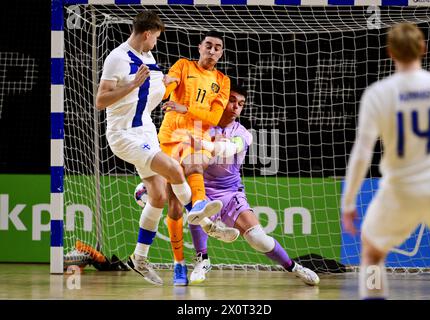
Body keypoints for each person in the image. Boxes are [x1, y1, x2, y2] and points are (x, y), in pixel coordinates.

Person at [342, 22, 430, 299]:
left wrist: (349, 201)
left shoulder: (379, 93)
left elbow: (362, 152)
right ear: (423, 48)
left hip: (400, 191)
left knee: (372, 252)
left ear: (390, 52)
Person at [186, 84, 320, 286]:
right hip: (203, 189)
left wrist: (207, 145)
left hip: (231, 193)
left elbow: (230, 148)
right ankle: (202, 260)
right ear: (221, 99)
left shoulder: (243, 133)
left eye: (241, 104)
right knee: (195, 205)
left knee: (258, 239)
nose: (236, 106)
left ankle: (294, 267)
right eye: (232, 100)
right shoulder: (200, 125)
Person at [95, 11, 193, 286]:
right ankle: (207, 221)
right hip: (123, 135)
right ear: (147, 33)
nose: (156, 44)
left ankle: (139, 258)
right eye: (156, 38)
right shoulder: (117, 57)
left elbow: (148, 96)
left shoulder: (149, 58)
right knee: (174, 169)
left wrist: (168, 85)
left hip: (145, 131)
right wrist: (133, 85)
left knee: (159, 196)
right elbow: (100, 100)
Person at [157, 31, 241, 285]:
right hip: (171, 137)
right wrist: (164, 84)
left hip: (198, 138)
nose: (213, 51)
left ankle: (200, 204)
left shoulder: (222, 81)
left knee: (195, 163)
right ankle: (179, 264)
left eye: (218, 48)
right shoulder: (183, 65)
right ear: (200, 47)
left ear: (221, 53)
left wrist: (186, 108)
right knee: (172, 203)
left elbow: (214, 118)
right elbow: (167, 89)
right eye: (209, 46)